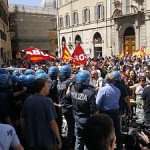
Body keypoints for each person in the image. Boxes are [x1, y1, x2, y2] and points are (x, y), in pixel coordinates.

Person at [20, 78, 62, 150]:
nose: (49, 88)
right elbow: (53, 123)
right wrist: (59, 140)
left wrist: (27, 134)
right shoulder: (48, 101)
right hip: (47, 141)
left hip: (32, 141)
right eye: (47, 86)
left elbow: (22, 120)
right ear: (43, 88)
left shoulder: (28, 100)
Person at [68, 70, 99, 150]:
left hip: (77, 119)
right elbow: (95, 112)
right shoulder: (90, 93)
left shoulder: (73, 89)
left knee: (78, 140)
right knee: (87, 143)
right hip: (87, 121)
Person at [96, 73, 122, 150]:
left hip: (105, 113)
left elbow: (97, 103)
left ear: (105, 80)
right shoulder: (117, 90)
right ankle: (119, 147)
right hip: (115, 112)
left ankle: (106, 147)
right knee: (117, 130)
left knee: (105, 131)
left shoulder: (102, 90)